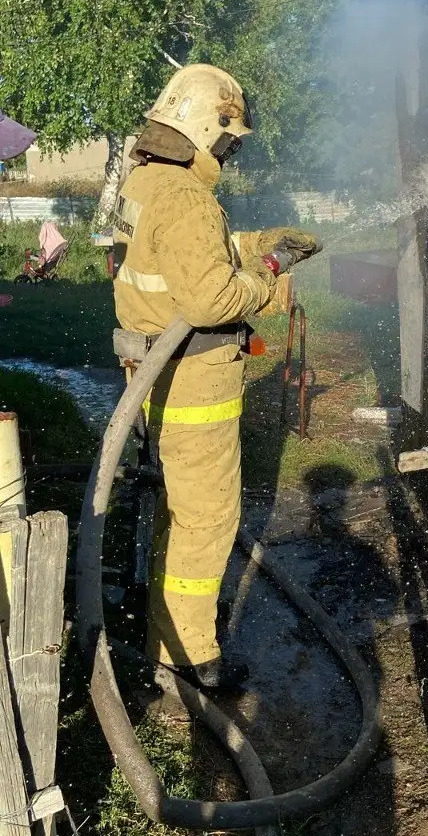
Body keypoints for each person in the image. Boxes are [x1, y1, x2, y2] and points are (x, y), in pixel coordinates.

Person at [111, 63, 321, 690]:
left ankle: (163, 627)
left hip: (151, 372)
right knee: (206, 520)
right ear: (205, 126)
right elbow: (207, 299)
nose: (229, 153)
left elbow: (187, 251)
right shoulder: (186, 196)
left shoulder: (148, 182)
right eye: (228, 140)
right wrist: (264, 282)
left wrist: (259, 241)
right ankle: (187, 662)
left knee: (173, 509)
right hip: (194, 380)